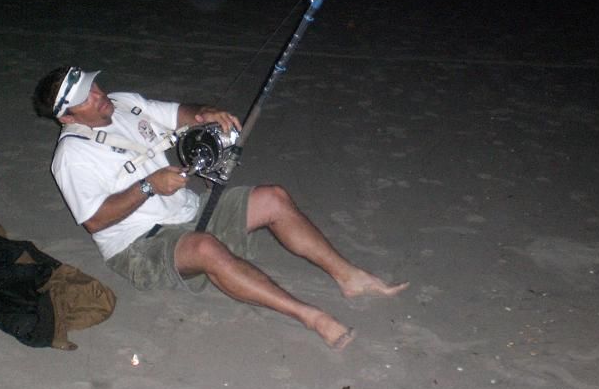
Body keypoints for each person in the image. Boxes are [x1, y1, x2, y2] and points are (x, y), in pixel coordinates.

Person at [32, 66, 407, 349]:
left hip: (189, 211)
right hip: (139, 246)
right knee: (206, 248)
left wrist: (207, 113)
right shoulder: (71, 157)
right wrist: (148, 187)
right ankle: (311, 316)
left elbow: (182, 113)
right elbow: (95, 221)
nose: (99, 95)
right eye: (86, 97)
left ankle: (348, 277)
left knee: (273, 197)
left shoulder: (125, 103)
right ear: (67, 117)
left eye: (94, 86)